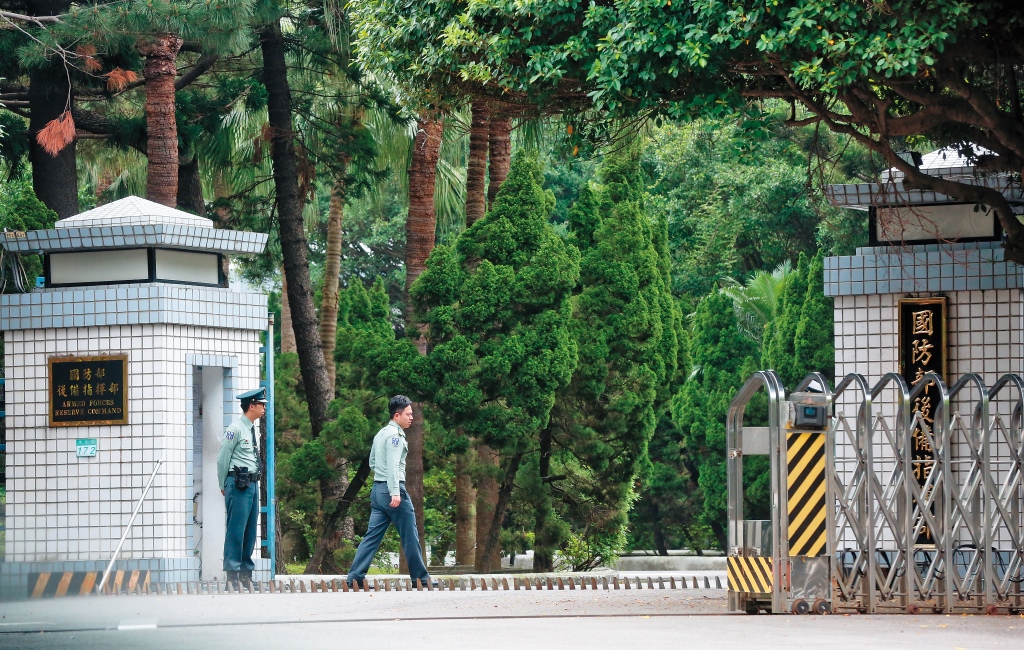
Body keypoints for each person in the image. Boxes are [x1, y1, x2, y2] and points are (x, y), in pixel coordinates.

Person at [346, 395, 432, 589]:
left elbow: (372, 462)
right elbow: (393, 466)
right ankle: (421, 578)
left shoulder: (381, 433)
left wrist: (383, 482)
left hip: (378, 490)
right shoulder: (395, 436)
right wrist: (394, 492)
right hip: (392, 490)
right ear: (397, 415)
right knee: (410, 534)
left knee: (371, 537)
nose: (412, 417)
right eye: (408, 414)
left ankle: (354, 577)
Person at [218, 387, 267, 588]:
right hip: (237, 483)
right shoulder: (235, 429)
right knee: (236, 529)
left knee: (250, 530)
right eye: (261, 404)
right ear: (252, 406)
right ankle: (232, 574)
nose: (264, 408)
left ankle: (246, 574)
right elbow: (223, 458)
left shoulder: (252, 428)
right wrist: (223, 483)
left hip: (252, 483)